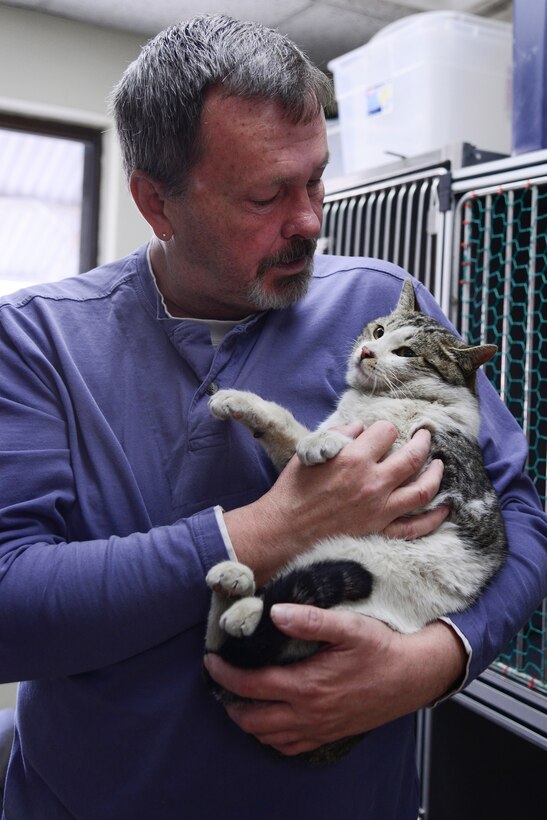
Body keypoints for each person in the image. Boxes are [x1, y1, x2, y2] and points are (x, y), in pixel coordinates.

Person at [0, 14, 545, 820]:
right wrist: (265, 530)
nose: (310, 222)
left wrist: (435, 660)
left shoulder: (376, 304)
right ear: (156, 201)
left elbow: (519, 516)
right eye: (266, 194)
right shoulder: (37, 340)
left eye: (316, 179)